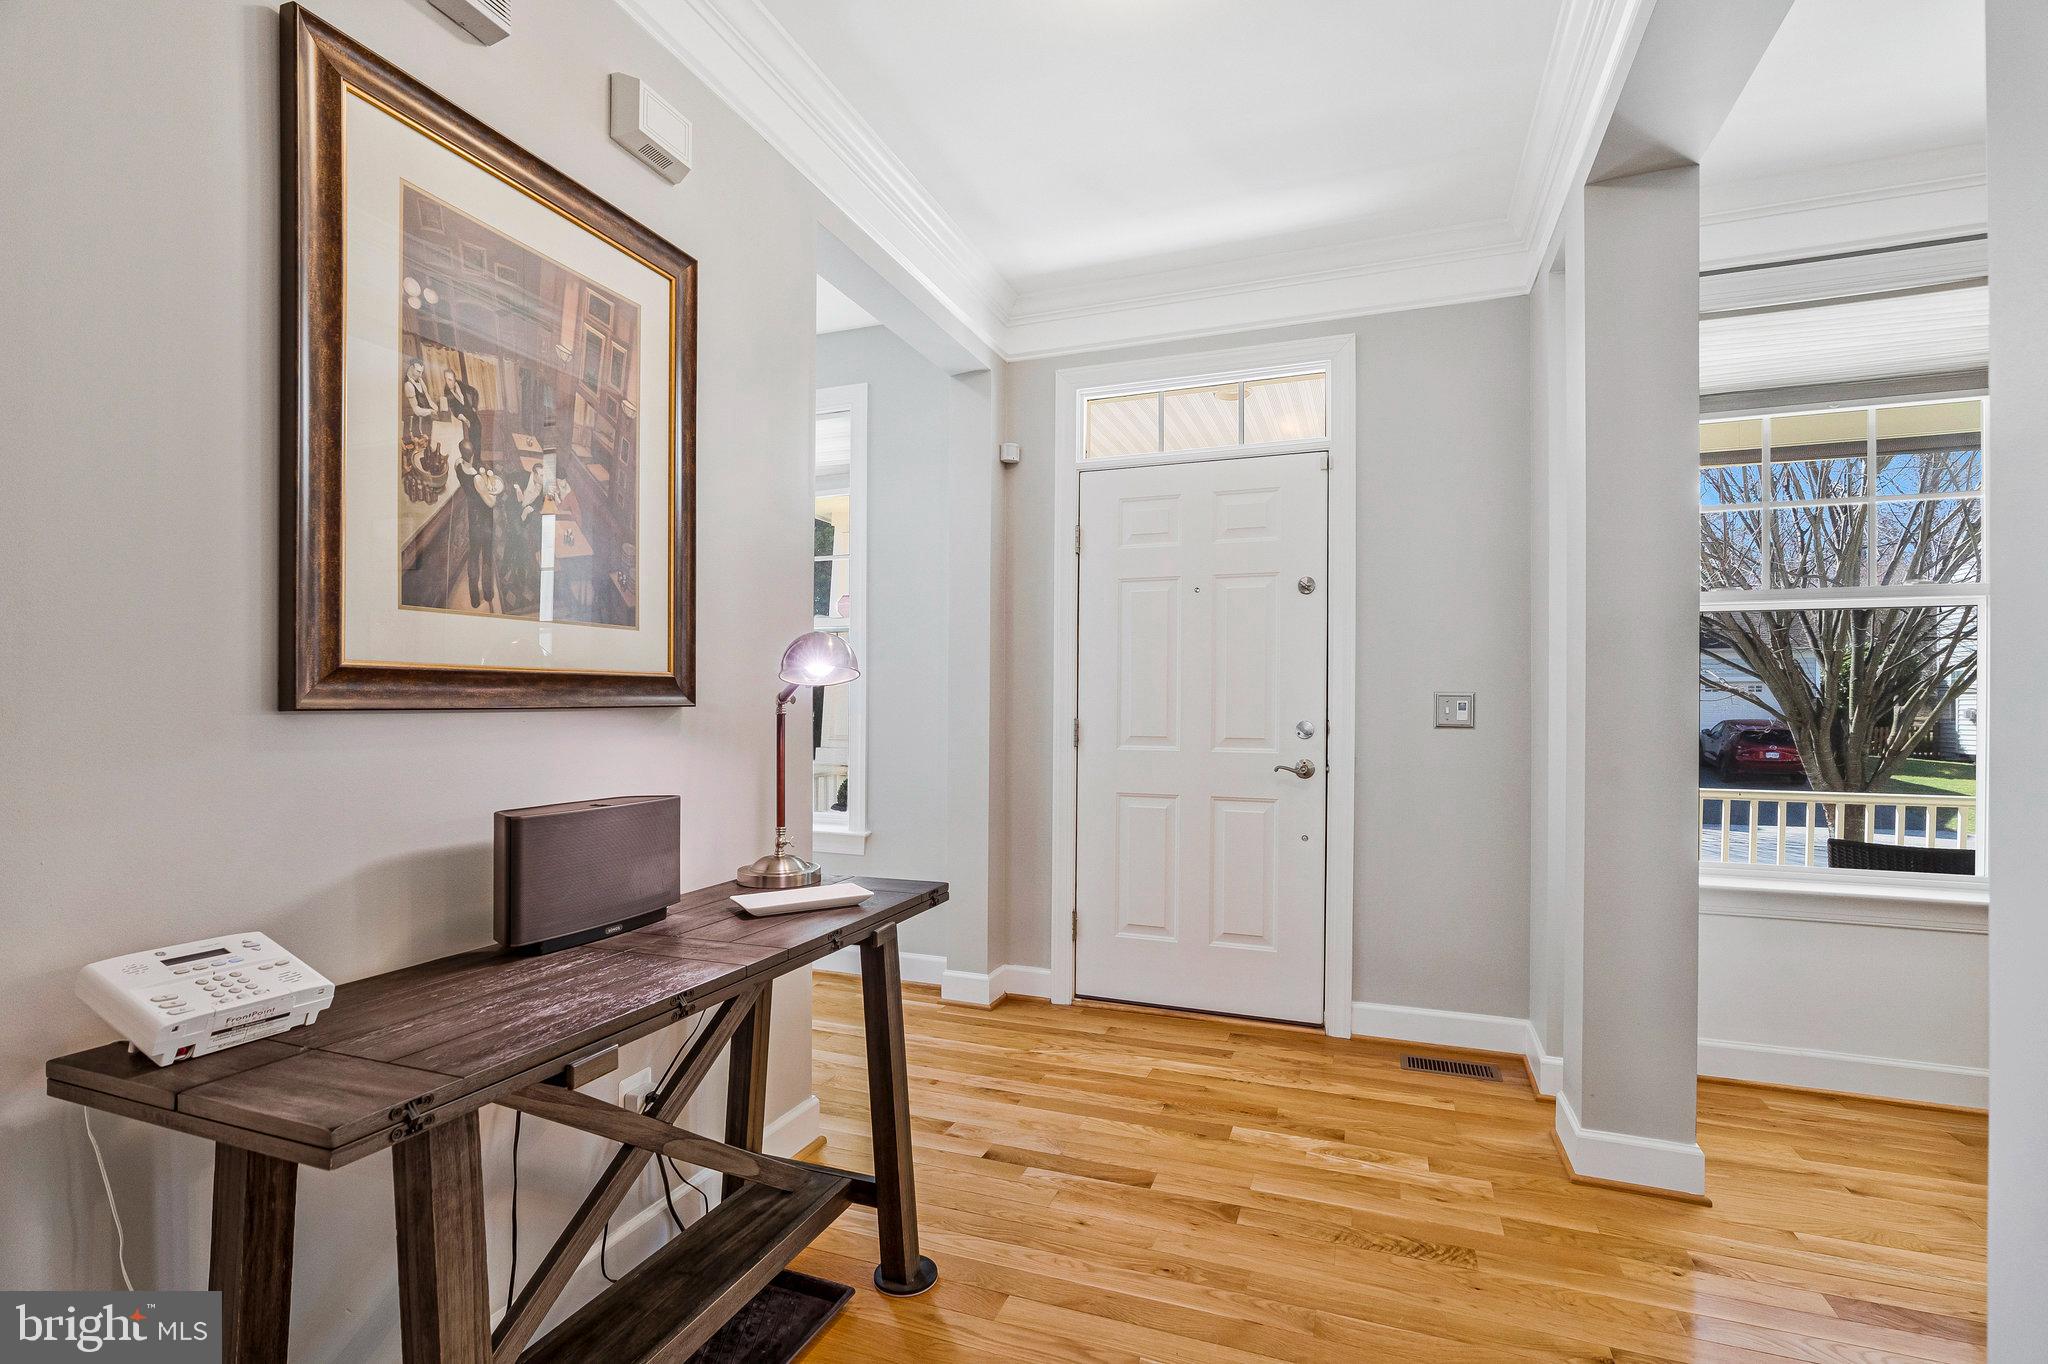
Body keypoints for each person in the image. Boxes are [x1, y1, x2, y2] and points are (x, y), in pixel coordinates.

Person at [453, 453, 503, 610]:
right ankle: (488, 593)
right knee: (487, 557)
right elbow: (490, 503)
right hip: (485, 523)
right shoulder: (478, 479)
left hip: (473, 519)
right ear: (473, 455)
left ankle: (474, 598)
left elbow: (460, 461)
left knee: (473, 555)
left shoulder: (458, 466)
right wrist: (494, 493)